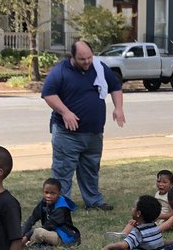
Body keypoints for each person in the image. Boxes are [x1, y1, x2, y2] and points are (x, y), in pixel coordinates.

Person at [41, 39, 125, 212]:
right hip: (67, 134)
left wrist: (118, 108)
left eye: (89, 57)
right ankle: (61, 204)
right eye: (82, 59)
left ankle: (94, 201)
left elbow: (115, 87)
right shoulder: (60, 71)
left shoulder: (99, 67)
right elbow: (48, 94)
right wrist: (65, 112)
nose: (87, 62)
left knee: (91, 169)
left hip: (94, 133)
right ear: (72, 56)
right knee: (63, 171)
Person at [64, 195, 166, 250]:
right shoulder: (153, 227)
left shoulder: (139, 231)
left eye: (133, 207)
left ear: (138, 213)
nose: (131, 209)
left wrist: (110, 246)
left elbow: (123, 245)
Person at [21, 177, 81, 249]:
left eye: (53, 193)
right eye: (46, 192)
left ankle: (28, 244)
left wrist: (26, 237)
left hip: (62, 237)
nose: (48, 196)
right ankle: (23, 242)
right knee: (21, 227)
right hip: (49, 232)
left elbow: (48, 226)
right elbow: (32, 219)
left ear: (59, 193)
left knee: (38, 232)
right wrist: (21, 235)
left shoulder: (61, 207)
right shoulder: (44, 202)